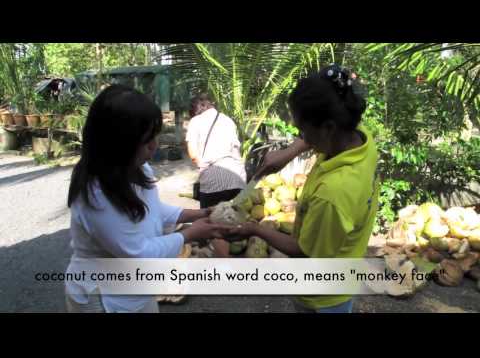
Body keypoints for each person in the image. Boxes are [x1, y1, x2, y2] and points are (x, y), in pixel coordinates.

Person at [226, 64, 380, 313]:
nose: (301, 136)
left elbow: (304, 252)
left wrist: (254, 229)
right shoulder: (359, 138)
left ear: (328, 128)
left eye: (303, 131)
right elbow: (320, 133)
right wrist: (290, 152)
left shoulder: (334, 194)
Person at [65, 85, 230, 313]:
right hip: (105, 296)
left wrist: (199, 214)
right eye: (145, 140)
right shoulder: (97, 192)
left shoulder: (136, 168)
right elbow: (139, 253)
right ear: (116, 142)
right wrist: (190, 233)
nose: (154, 145)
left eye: (154, 135)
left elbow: (152, 209)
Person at [186, 94, 247, 257]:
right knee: (235, 223)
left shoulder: (195, 122)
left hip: (214, 181)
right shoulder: (228, 120)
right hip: (238, 178)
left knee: (215, 227)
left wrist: (202, 166)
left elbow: (192, 154)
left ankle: (224, 268)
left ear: (195, 110)